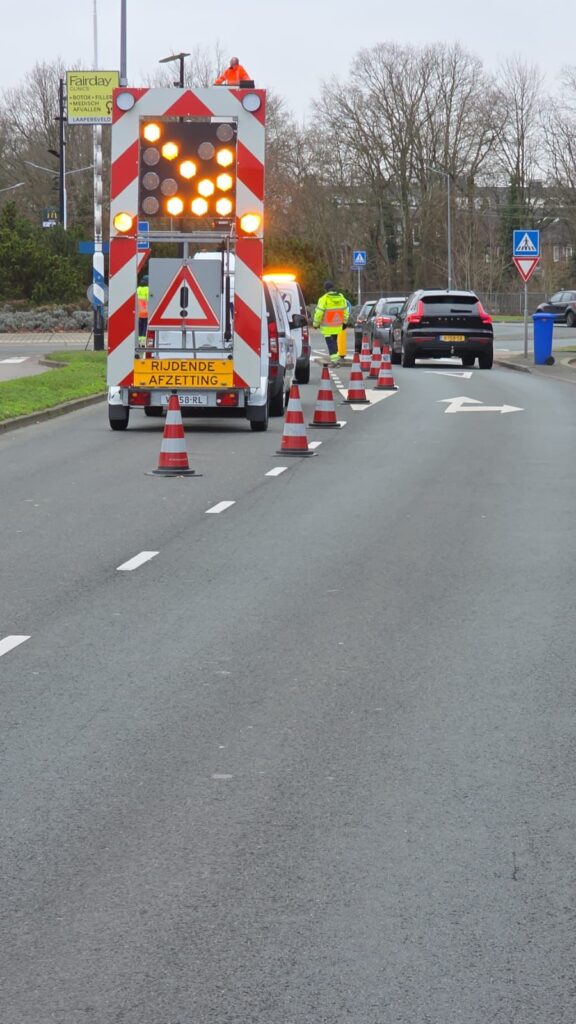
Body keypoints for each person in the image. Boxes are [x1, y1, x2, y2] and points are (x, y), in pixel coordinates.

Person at [313, 281, 350, 365]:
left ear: (325, 289)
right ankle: (336, 360)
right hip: (337, 325)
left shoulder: (324, 299)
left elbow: (319, 313)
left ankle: (334, 362)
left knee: (331, 344)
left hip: (327, 327)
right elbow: (346, 311)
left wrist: (315, 324)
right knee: (334, 343)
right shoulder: (341, 297)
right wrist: (345, 322)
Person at [136, 275, 149, 345]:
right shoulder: (148, 289)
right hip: (146, 311)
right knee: (145, 326)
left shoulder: (138, 289)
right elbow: (149, 300)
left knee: (140, 326)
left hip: (139, 311)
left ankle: (139, 341)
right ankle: (143, 342)